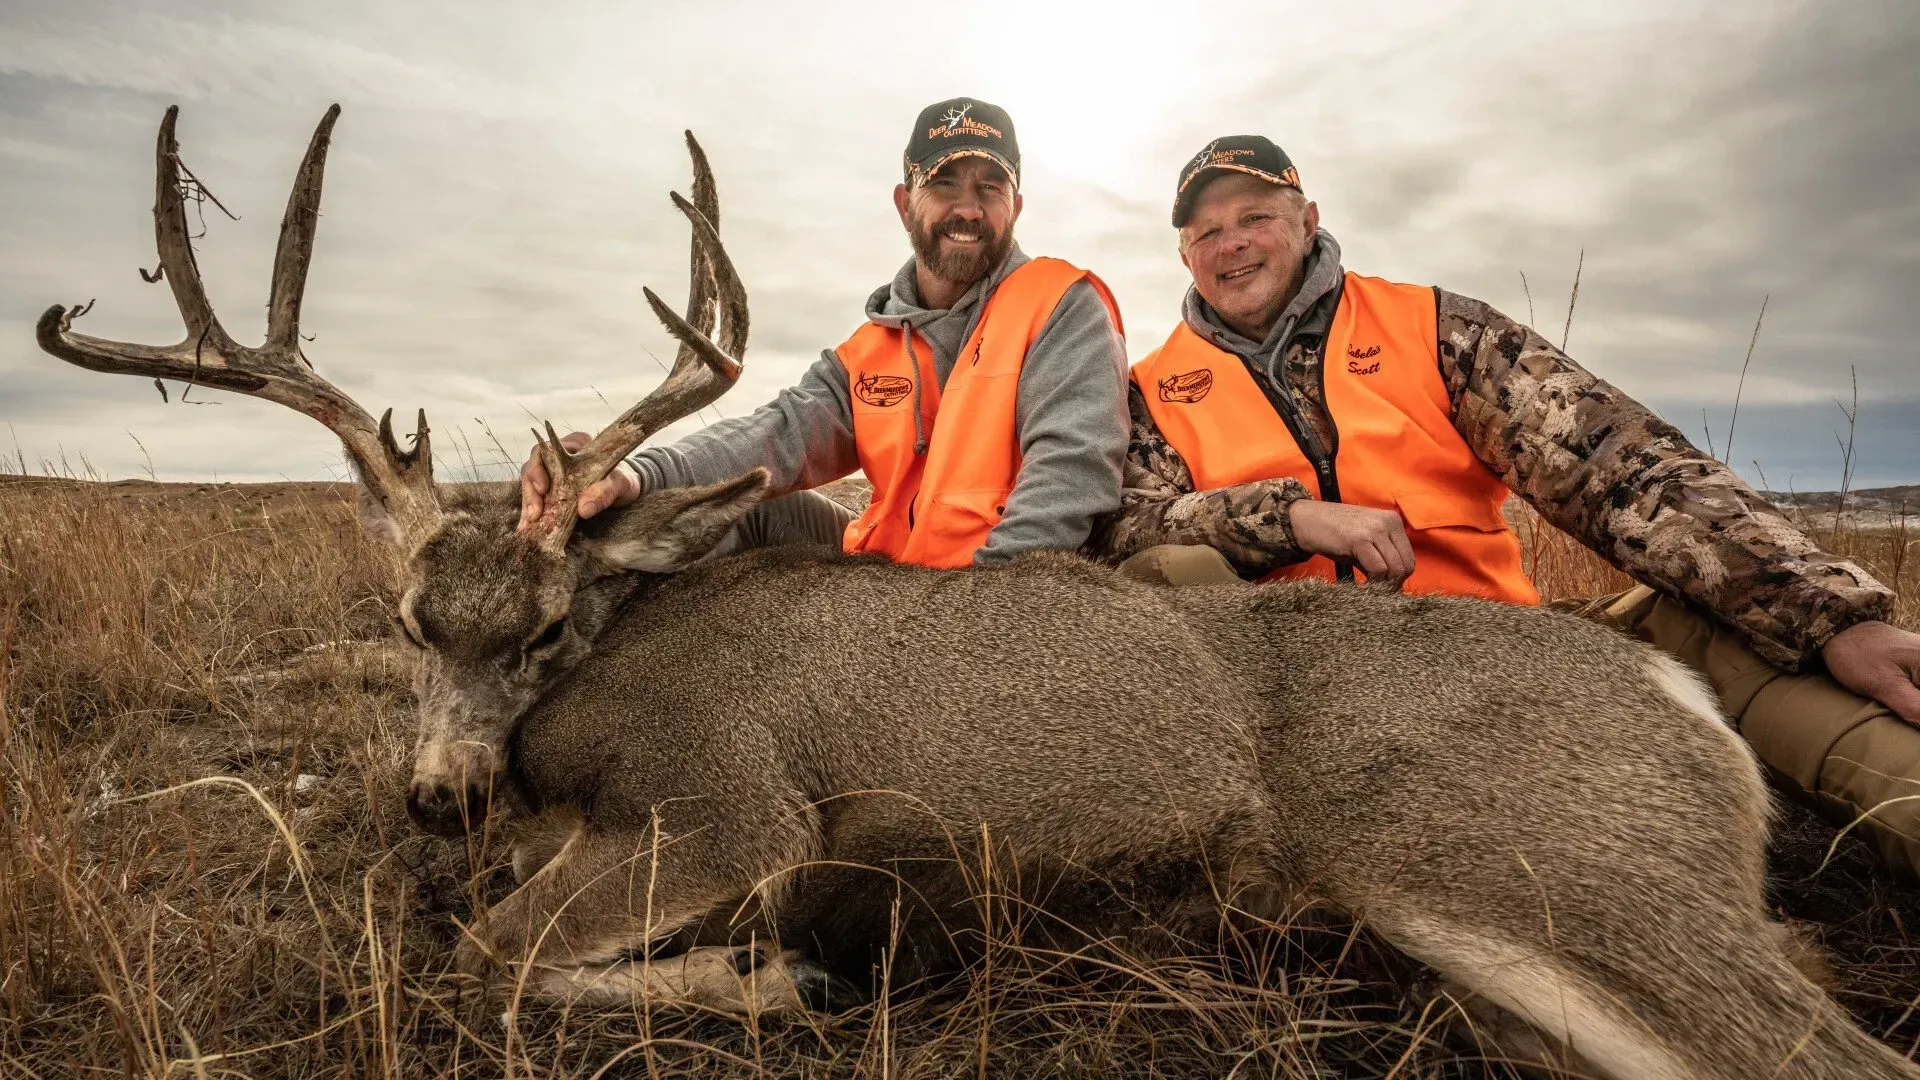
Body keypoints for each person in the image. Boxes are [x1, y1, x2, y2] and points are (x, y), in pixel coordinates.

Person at [1092, 135, 1920, 876]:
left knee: (1714, 632)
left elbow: (1624, 470)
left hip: (1503, 647)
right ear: (1185, 255)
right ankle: (1273, 848)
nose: (1231, 242)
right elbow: (1129, 528)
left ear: (1307, 219)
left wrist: (1831, 614)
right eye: (1205, 231)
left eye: (1255, 215)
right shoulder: (1154, 392)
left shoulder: (1436, 329)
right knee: (1172, 569)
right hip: (1319, 710)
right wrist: (1289, 517)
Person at [519, 97, 1128, 569]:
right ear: (903, 202)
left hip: (995, 595)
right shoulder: (869, 353)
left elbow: (1070, 472)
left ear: (1015, 205)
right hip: (885, 572)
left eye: (989, 188)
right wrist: (633, 474)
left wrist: (973, 619)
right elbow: (773, 436)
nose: (968, 209)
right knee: (729, 507)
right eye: (944, 184)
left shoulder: (1060, 305)